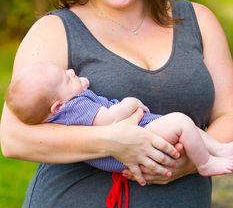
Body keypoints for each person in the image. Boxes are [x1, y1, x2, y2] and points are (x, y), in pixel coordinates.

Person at [1, 0, 233, 208]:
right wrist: (114, 143)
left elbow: (229, 114)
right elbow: (13, 138)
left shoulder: (199, 22)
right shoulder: (55, 31)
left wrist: (183, 163)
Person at [6, 61, 233, 177]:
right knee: (181, 122)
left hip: (135, 138)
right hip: (135, 140)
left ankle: (218, 149)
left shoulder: (65, 109)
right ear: (58, 106)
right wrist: (131, 103)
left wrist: (77, 85)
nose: (71, 72)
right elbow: (108, 119)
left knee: (187, 126)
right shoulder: (74, 107)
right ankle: (205, 164)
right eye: (66, 79)